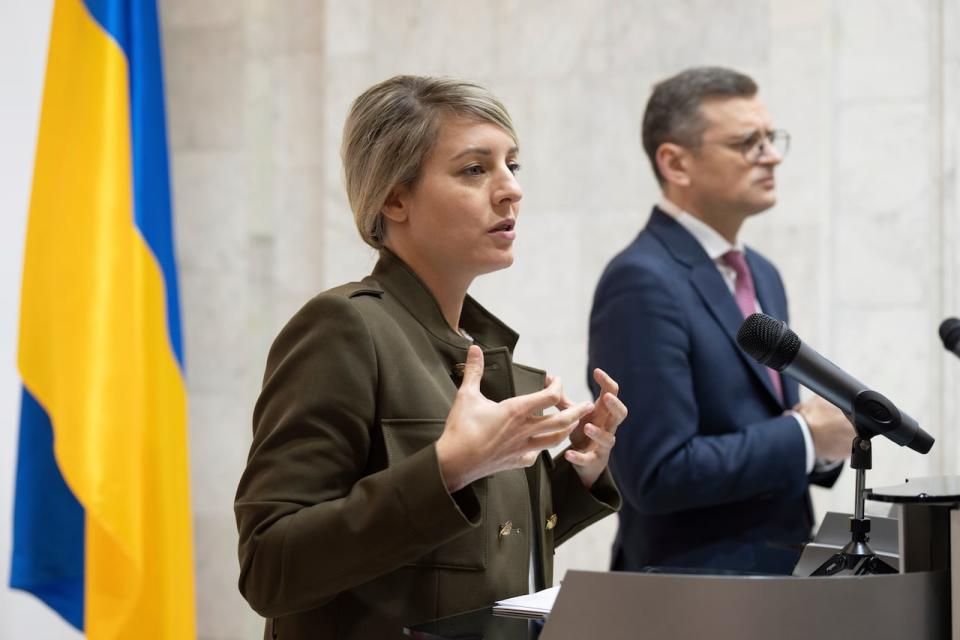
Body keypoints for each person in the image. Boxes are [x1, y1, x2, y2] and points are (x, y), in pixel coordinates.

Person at [235, 75, 626, 639]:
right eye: (474, 169)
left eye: (513, 165)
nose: (510, 188)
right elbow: (269, 567)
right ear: (394, 198)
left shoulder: (485, 353)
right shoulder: (344, 327)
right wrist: (448, 469)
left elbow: (467, 556)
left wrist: (578, 474)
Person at [588, 66, 853, 575]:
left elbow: (765, 425)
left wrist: (825, 445)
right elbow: (655, 473)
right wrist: (804, 438)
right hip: (691, 592)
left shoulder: (763, 274)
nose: (771, 155)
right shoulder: (641, 280)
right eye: (747, 143)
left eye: (771, 139)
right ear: (676, 163)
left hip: (781, 579)